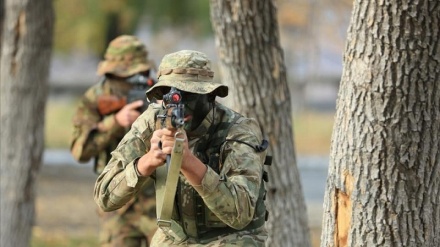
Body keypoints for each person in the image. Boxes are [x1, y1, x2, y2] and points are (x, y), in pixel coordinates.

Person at [94, 50, 270, 246]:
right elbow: (105, 197)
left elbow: (240, 214)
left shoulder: (237, 130)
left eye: (189, 95)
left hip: (232, 235)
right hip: (178, 235)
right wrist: (147, 162)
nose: (180, 106)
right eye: (169, 95)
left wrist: (187, 162)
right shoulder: (153, 122)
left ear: (210, 96)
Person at [71, 35, 158, 246]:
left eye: (141, 75)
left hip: (156, 196)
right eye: (126, 76)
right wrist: (115, 123)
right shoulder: (96, 98)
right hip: (117, 200)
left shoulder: (158, 94)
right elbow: (80, 151)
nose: (134, 81)